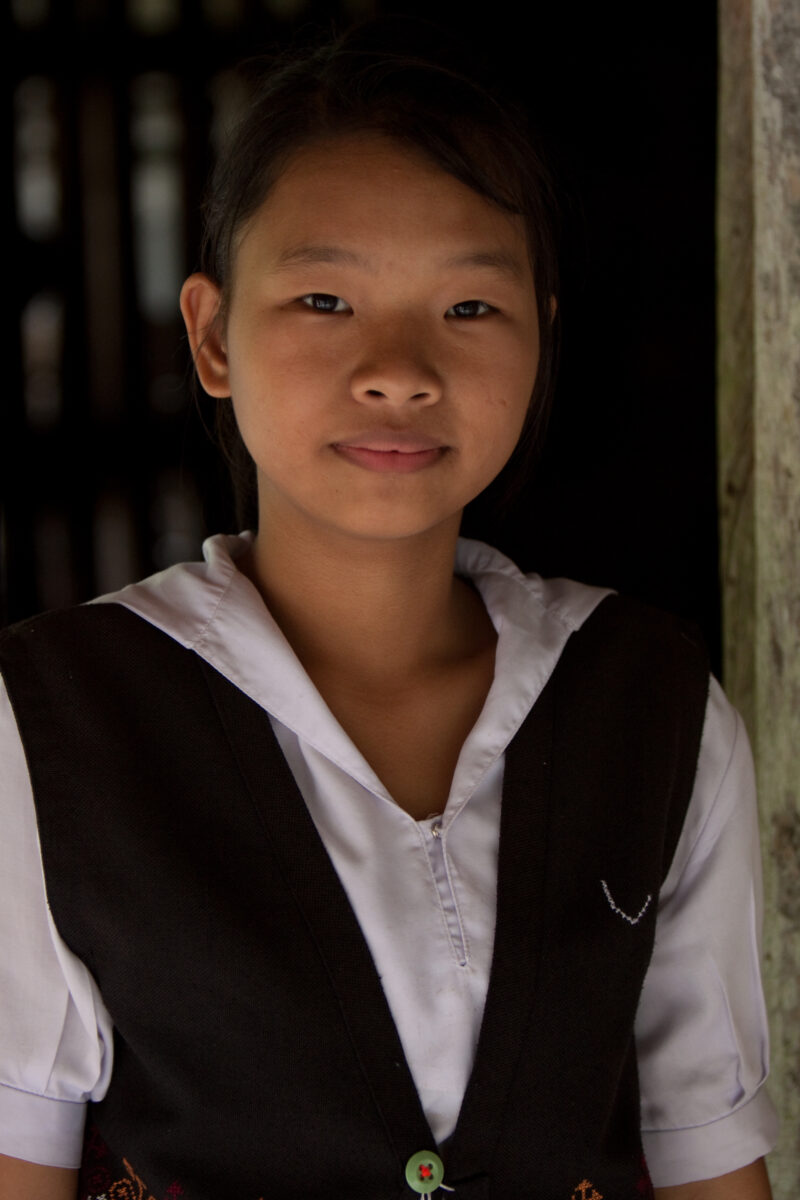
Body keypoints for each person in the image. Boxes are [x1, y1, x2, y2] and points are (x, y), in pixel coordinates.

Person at [0, 19, 779, 1200]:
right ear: (210, 336)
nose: (400, 368)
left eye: (470, 309)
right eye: (323, 299)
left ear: (541, 338)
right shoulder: (56, 725)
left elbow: (707, 1159)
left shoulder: (649, 706)